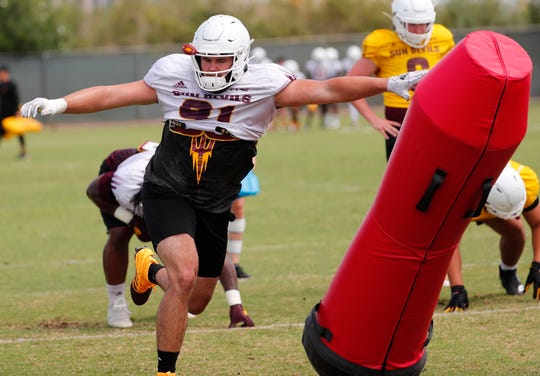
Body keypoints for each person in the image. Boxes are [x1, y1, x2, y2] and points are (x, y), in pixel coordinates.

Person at [21, 14, 424, 376]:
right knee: (183, 275)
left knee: (196, 300)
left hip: (215, 202)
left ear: (242, 58)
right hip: (167, 188)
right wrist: (61, 103)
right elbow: (113, 94)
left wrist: (386, 82)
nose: (212, 67)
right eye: (206, 58)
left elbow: (330, 88)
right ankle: (166, 371)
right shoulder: (172, 73)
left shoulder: (265, 84)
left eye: (221, 60)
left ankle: (148, 270)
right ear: (194, 55)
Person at [86, 142, 254, 328]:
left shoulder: (192, 191)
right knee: (120, 234)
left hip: (168, 177)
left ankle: (152, 273)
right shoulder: (125, 184)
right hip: (119, 173)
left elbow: (214, 249)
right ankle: (116, 303)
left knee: (194, 238)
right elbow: (93, 191)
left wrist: (235, 304)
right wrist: (132, 220)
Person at [347, 0, 454, 160]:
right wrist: (373, 119)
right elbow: (351, 84)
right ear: (398, 20)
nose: (419, 30)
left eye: (424, 24)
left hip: (439, 119)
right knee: (404, 182)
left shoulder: (443, 37)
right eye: (412, 24)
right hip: (400, 122)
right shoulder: (381, 42)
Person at [444, 160, 540, 312]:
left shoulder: (525, 179)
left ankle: (508, 274)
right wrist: (457, 288)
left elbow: (538, 223)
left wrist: (538, 264)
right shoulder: (460, 193)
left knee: (515, 231)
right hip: (469, 200)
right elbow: (450, 243)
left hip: (486, 197)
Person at [0, 65, 27, 158]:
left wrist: (17, 111)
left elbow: (15, 99)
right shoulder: (1, 85)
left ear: (5, 73)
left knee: (19, 132)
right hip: (2, 113)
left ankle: (24, 151)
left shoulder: (12, 85)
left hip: (12, 112)